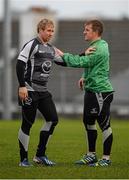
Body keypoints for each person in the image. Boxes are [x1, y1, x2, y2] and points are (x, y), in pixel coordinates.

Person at [55, 19, 114, 167]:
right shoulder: (95, 45)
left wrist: (64, 55)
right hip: (91, 90)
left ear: (95, 32)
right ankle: (91, 155)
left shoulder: (99, 48)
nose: (84, 32)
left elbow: (81, 62)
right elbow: (91, 66)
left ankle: (106, 159)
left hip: (101, 91)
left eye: (87, 29)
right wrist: (84, 77)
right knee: (88, 122)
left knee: (104, 124)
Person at [16, 18, 65, 167]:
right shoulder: (32, 45)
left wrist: (83, 55)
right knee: (27, 123)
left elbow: (64, 61)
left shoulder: (51, 48)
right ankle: (23, 160)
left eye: (52, 31)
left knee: (52, 119)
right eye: (48, 30)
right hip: (29, 90)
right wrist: (22, 86)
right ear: (40, 30)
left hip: (43, 92)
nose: (51, 33)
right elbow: (19, 64)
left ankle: (40, 155)